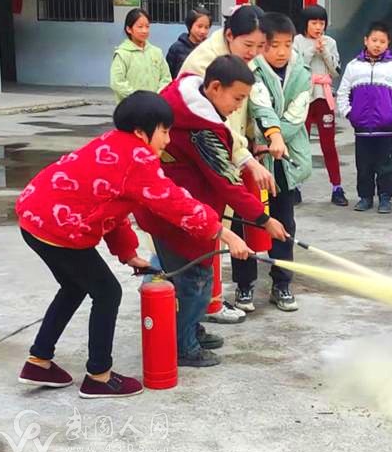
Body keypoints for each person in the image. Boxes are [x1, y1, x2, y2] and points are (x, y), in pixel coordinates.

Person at [15, 91, 252, 398]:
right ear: (142, 132)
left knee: (74, 287)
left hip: (34, 219)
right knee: (107, 292)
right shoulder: (138, 158)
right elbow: (174, 202)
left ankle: (39, 361)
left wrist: (128, 254)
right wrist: (223, 232)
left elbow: (111, 207)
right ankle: (99, 376)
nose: (167, 139)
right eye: (164, 130)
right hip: (60, 228)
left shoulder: (111, 143)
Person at [135, 56, 290, 368]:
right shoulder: (201, 129)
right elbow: (227, 182)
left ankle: (190, 329)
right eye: (237, 98)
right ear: (215, 87)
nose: (237, 107)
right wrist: (263, 219)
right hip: (177, 216)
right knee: (194, 281)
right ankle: (183, 346)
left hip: (192, 212)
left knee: (199, 278)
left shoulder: (187, 94)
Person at [178, 4, 274, 324]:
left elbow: (253, 100)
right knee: (200, 234)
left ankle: (208, 304)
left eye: (260, 47)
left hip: (226, 149)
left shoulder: (240, 57)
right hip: (199, 157)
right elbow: (217, 125)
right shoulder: (204, 65)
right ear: (229, 35)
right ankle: (198, 312)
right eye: (249, 46)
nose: (255, 53)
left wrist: (268, 133)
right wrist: (246, 160)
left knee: (212, 229)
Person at [238, 13, 313, 312]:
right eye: (273, 45)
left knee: (284, 224)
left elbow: (298, 113)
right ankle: (245, 285)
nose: (281, 52)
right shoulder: (251, 70)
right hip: (255, 161)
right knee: (248, 222)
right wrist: (271, 138)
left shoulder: (302, 73)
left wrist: (278, 139)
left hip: (284, 163)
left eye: (287, 45)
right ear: (261, 46)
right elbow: (258, 105)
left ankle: (282, 283)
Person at [337, 21, 392, 214]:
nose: (377, 44)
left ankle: (385, 199)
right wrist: (350, 114)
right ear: (366, 41)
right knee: (363, 165)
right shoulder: (353, 66)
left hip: (385, 129)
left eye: (382, 41)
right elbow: (343, 92)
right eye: (374, 40)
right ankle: (365, 198)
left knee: (385, 165)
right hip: (361, 130)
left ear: (388, 44)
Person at [292, 4, 346, 206]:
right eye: (314, 23)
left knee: (328, 144)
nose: (318, 27)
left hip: (323, 96)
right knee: (299, 144)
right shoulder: (296, 42)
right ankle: (296, 187)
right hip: (303, 96)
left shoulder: (330, 42)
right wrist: (311, 51)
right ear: (305, 24)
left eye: (321, 23)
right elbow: (295, 68)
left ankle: (337, 187)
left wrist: (324, 52)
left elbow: (335, 71)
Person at [110, 8, 171, 103]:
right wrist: (138, 99)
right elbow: (117, 83)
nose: (144, 31)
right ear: (129, 29)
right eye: (140, 27)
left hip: (155, 105)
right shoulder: (122, 54)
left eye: (147, 26)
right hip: (131, 108)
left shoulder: (156, 52)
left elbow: (166, 78)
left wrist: (156, 97)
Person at [166, 5, 212, 79]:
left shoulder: (210, 49)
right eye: (199, 26)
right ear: (190, 25)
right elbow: (168, 75)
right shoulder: (176, 49)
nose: (203, 31)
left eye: (206, 27)